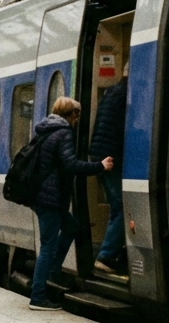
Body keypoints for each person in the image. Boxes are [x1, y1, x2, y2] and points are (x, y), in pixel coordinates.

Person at [28, 97, 113, 311]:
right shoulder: (63, 132)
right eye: (77, 115)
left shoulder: (45, 130)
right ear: (71, 115)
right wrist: (99, 166)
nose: (77, 120)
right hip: (50, 198)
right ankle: (38, 297)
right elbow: (70, 164)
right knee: (47, 245)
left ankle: (52, 271)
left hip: (42, 196)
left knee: (72, 227)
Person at [90, 65, 128, 273]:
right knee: (121, 206)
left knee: (116, 206)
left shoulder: (112, 91)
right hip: (111, 159)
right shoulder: (128, 93)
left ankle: (114, 252)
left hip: (102, 155)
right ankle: (106, 255)